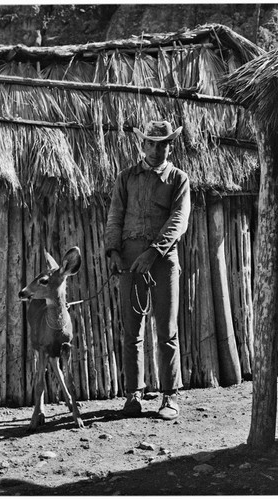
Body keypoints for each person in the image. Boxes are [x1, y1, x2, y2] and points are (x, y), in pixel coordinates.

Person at [105, 120, 191, 420]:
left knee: (166, 330)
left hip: (163, 260)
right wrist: (114, 250)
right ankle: (133, 395)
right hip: (129, 259)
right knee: (132, 330)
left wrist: (153, 252)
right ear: (142, 145)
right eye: (151, 143)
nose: (156, 149)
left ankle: (169, 396)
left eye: (163, 143)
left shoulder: (178, 179)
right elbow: (115, 215)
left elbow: (179, 219)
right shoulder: (126, 178)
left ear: (171, 145)